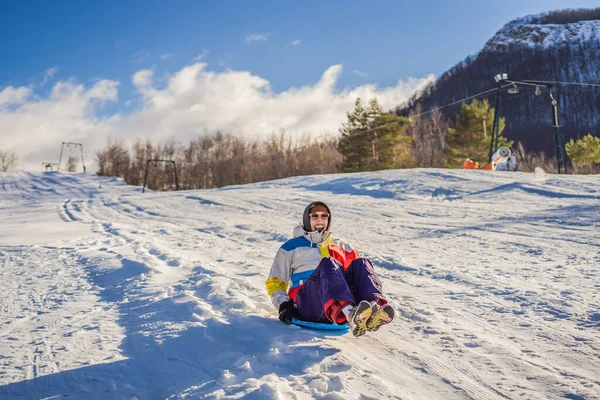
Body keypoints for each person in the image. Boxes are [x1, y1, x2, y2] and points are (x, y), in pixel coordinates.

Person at [266, 201, 394, 337]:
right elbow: (275, 282)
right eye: (314, 216)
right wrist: (283, 305)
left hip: (337, 313)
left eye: (324, 216)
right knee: (328, 263)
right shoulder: (291, 247)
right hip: (310, 305)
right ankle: (350, 314)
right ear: (307, 219)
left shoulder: (342, 246)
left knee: (361, 263)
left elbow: (358, 279)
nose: (320, 220)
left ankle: (372, 310)